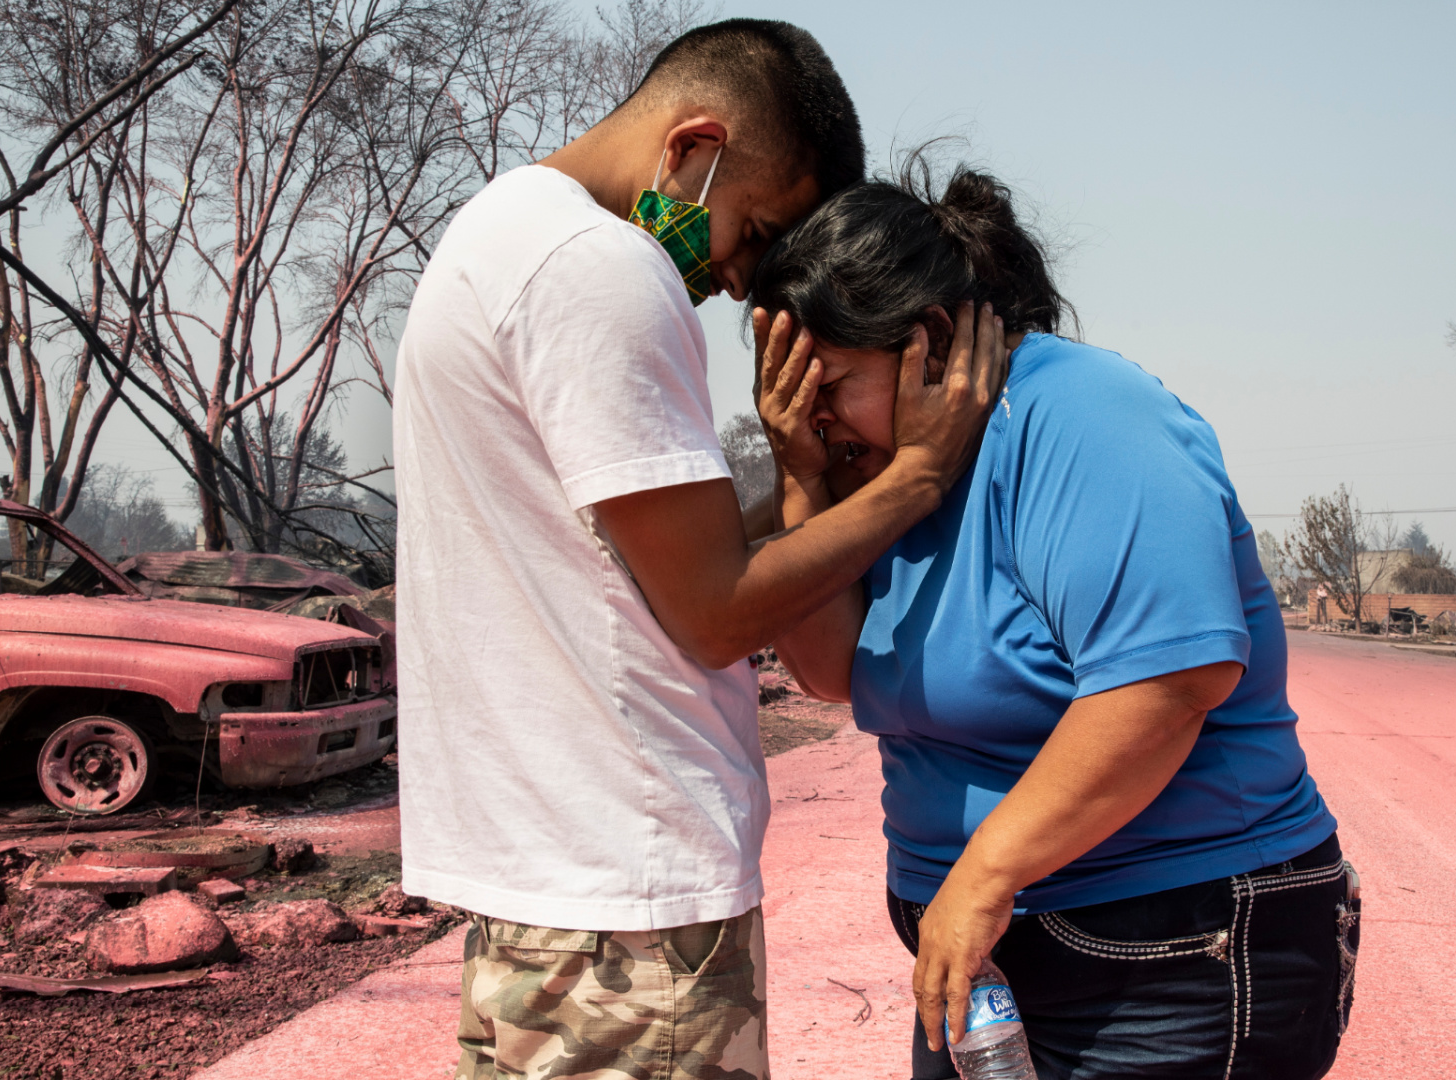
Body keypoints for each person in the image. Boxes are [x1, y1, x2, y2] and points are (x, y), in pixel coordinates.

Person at [392, 22, 1006, 1080]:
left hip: (548, 889)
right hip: (630, 900)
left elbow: (630, 566)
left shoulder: (498, 233)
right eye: (757, 231)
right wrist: (915, 477)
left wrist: (798, 471)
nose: (737, 281)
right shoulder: (601, 271)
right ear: (694, 147)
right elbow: (718, 612)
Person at [749, 161, 1359, 1080]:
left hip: (1171, 949)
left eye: (827, 384)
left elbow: (1164, 682)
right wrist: (801, 477)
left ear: (931, 340)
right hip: (984, 961)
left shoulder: (1082, 414)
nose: (811, 414)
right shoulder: (894, 475)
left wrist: (982, 879)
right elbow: (837, 670)